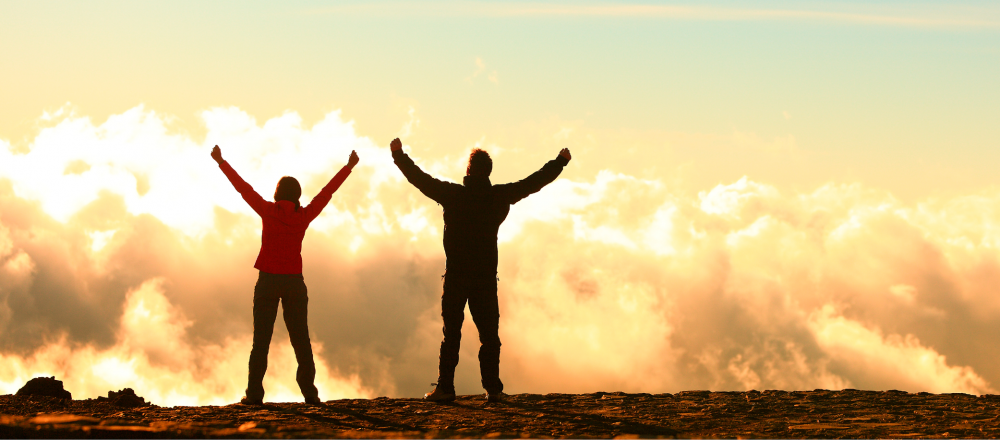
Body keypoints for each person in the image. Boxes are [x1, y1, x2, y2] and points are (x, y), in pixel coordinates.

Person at [389, 137, 571, 403]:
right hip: (485, 277)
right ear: (489, 171)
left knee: (451, 334)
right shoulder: (499, 196)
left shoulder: (452, 195)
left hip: (456, 276)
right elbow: (534, 182)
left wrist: (398, 155)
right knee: (489, 336)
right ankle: (493, 390)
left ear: (468, 169)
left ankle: (446, 389)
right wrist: (560, 163)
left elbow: (420, 179)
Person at [211, 145, 359, 405]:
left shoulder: (268, 211)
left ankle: (254, 394)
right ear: (298, 196)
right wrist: (347, 168)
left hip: (268, 279)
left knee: (261, 342)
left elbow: (243, 188)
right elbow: (327, 193)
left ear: (278, 194)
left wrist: (221, 162)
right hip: (294, 282)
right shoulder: (303, 217)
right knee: (301, 340)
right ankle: (310, 394)